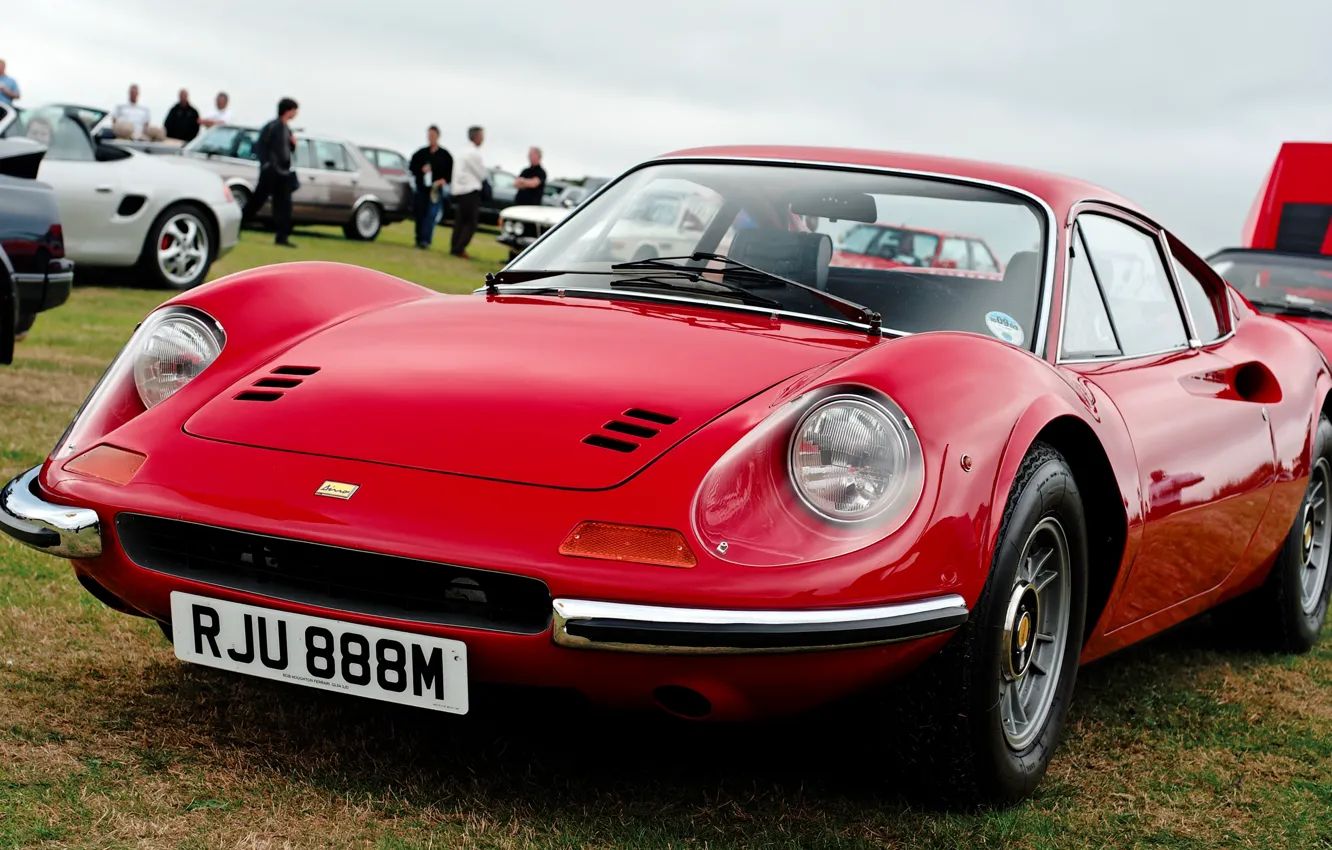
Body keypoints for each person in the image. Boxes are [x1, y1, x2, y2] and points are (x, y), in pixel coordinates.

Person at [242, 97, 300, 247]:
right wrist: (267, 165)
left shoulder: (287, 129)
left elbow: (287, 150)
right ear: (288, 110)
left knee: (284, 205)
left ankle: (282, 236)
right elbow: (261, 147)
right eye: (294, 110)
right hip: (272, 171)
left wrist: (293, 144)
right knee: (257, 200)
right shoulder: (272, 127)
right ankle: (239, 224)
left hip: (283, 172)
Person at [408, 125, 453, 249]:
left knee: (431, 215)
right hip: (422, 189)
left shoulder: (445, 155)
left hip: (435, 190)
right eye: (429, 136)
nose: (430, 138)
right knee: (420, 214)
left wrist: (443, 181)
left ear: (438, 136)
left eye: (433, 135)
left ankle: (426, 240)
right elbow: (412, 167)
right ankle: (418, 238)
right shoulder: (421, 153)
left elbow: (450, 173)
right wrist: (421, 170)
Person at [450, 125, 486, 259]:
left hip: (460, 190)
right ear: (476, 137)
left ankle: (454, 246)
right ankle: (460, 248)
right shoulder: (474, 153)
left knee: (460, 221)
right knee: (470, 222)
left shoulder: (461, 152)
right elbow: (481, 173)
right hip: (470, 190)